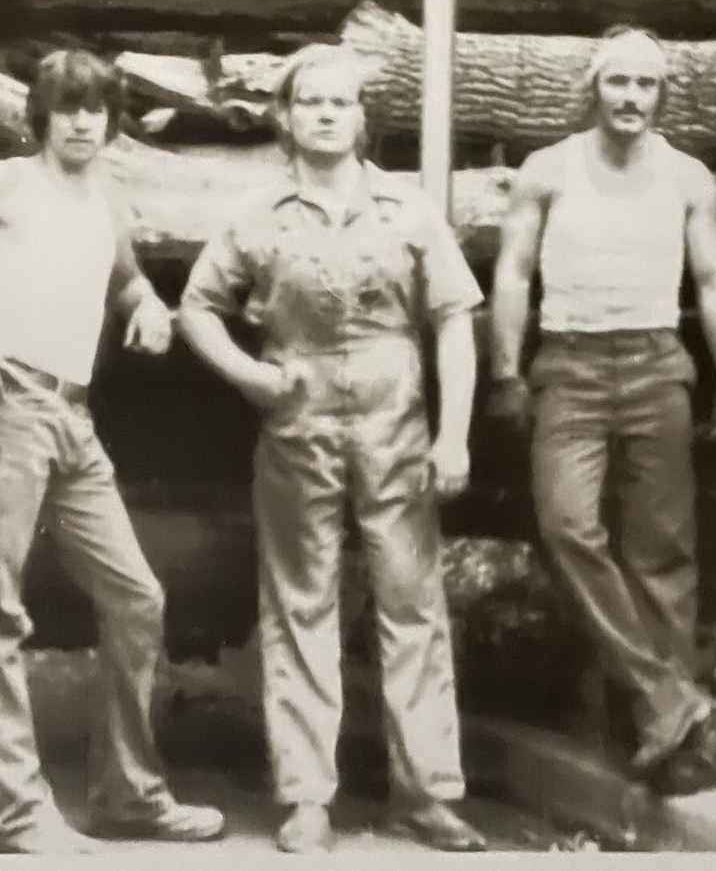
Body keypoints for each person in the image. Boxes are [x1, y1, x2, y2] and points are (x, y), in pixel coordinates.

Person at [0, 50, 226, 855]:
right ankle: (13, 814)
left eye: (96, 108)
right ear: (40, 115)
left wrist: (152, 311)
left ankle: (128, 796)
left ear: (112, 119)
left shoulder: (104, 197)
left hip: (74, 420)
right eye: (67, 107)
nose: (82, 121)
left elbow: (127, 282)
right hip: (10, 410)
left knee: (138, 599)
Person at [177, 45, 488, 855]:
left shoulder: (408, 209)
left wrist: (453, 434)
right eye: (309, 101)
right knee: (300, 603)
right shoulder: (259, 215)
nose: (324, 114)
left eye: (340, 102)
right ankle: (306, 797)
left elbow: (454, 317)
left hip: (396, 422)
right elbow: (198, 307)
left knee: (412, 603)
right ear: (283, 117)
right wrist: (250, 375)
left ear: (361, 119)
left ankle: (427, 794)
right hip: (299, 425)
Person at [487, 26, 716, 792]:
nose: (631, 97)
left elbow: (711, 281)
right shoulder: (549, 170)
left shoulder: (688, 177)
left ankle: (666, 744)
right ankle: (667, 698)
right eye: (618, 82)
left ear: (662, 94)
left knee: (661, 553)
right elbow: (512, 274)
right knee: (567, 526)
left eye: (646, 84)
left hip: (656, 362)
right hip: (568, 363)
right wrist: (506, 370)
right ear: (594, 88)